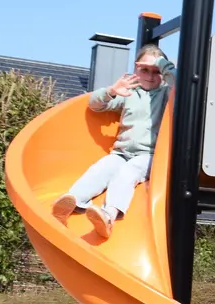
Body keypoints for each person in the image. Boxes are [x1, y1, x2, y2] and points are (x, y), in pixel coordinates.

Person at [51, 44, 175, 239]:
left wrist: (163, 64)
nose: (150, 76)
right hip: (121, 152)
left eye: (156, 71)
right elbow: (95, 105)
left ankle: (108, 217)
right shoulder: (129, 93)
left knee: (127, 173)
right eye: (145, 70)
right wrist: (111, 91)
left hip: (149, 155)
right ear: (136, 69)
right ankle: (70, 203)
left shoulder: (167, 94)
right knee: (100, 169)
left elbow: (181, 85)